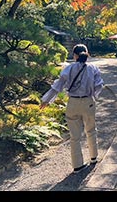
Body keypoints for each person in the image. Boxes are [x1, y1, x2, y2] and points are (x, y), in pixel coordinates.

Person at [40, 44, 104, 173]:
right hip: (88, 101)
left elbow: (57, 86)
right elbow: (99, 85)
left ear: (74, 56)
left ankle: (77, 166)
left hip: (73, 103)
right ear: (87, 53)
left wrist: (46, 100)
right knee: (91, 130)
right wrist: (93, 95)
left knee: (75, 136)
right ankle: (93, 157)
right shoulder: (93, 68)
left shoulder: (68, 68)